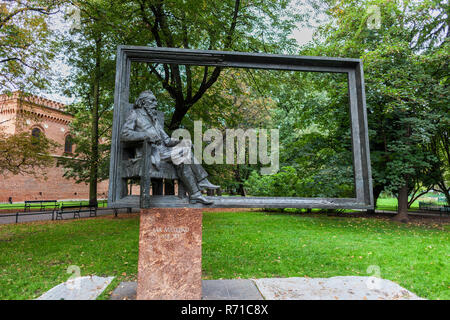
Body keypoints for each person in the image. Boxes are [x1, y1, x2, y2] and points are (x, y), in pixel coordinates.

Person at [120, 90, 219, 204]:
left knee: (183, 159)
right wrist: (145, 135)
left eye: (156, 101)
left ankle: (195, 194)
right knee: (184, 153)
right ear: (143, 102)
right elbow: (124, 134)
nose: (155, 104)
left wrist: (183, 141)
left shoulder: (154, 119)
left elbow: (167, 140)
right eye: (152, 101)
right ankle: (201, 181)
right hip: (149, 152)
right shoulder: (135, 114)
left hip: (164, 152)